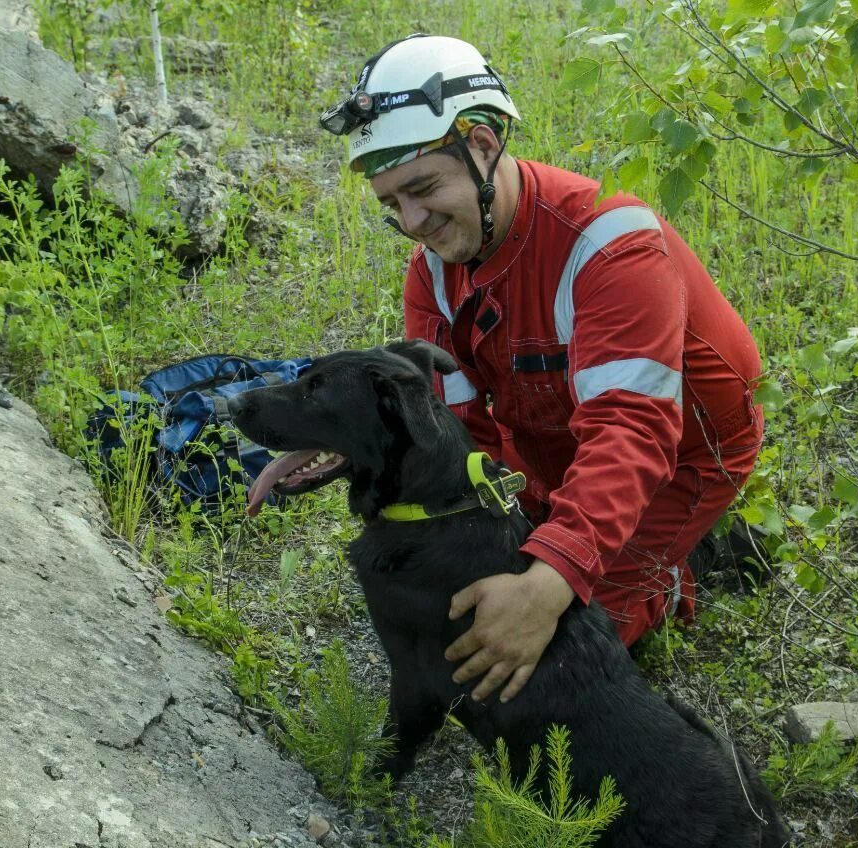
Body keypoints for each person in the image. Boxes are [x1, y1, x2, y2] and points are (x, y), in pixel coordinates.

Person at [319, 34, 764, 704]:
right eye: (391, 205)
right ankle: (622, 542)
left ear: (483, 145)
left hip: (681, 452)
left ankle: (675, 572)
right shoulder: (434, 275)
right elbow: (458, 430)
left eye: (422, 189)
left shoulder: (610, 242)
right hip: (553, 435)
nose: (413, 223)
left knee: (566, 648)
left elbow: (633, 433)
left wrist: (549, 581)